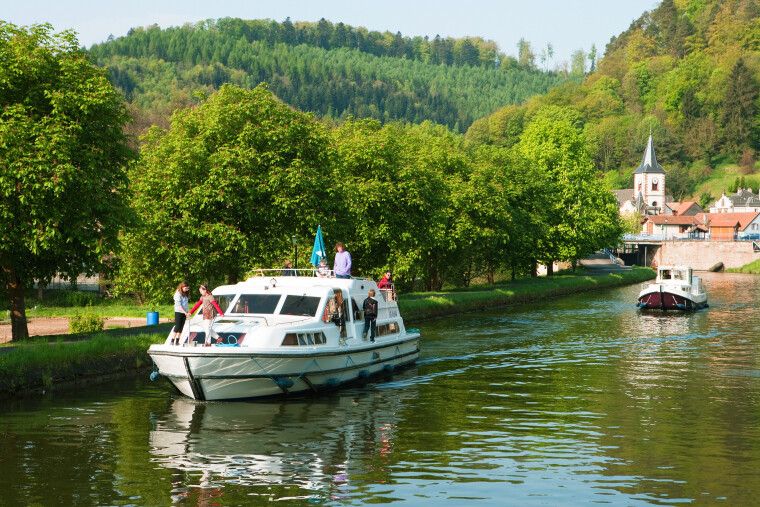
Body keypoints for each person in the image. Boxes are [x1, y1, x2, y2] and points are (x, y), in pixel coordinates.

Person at [171, 281, 191, 345]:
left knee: (181, 327)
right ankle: (172, 340)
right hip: (179, 312)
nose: (186, 290)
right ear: (182, 287)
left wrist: (186, 312)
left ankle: (177, 341)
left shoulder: (185, 294)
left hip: (184, 312)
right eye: (185, 288)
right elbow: (179, 305)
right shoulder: (177, 294)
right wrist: (185, 312)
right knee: (177, 326)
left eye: (187, 288)